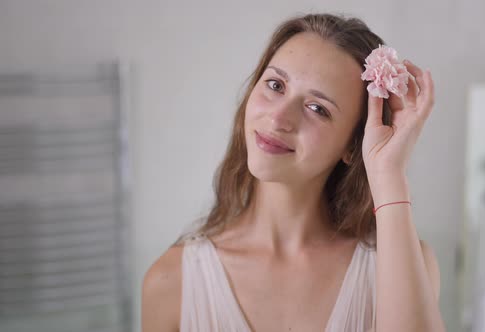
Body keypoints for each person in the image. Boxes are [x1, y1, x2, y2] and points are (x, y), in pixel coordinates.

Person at [142, 12, 444, 332]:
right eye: (275, 85)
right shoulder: (171, 283)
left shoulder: (405, 267)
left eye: (318, 108)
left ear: (352, 146)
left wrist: (388, 176)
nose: (278, 118)